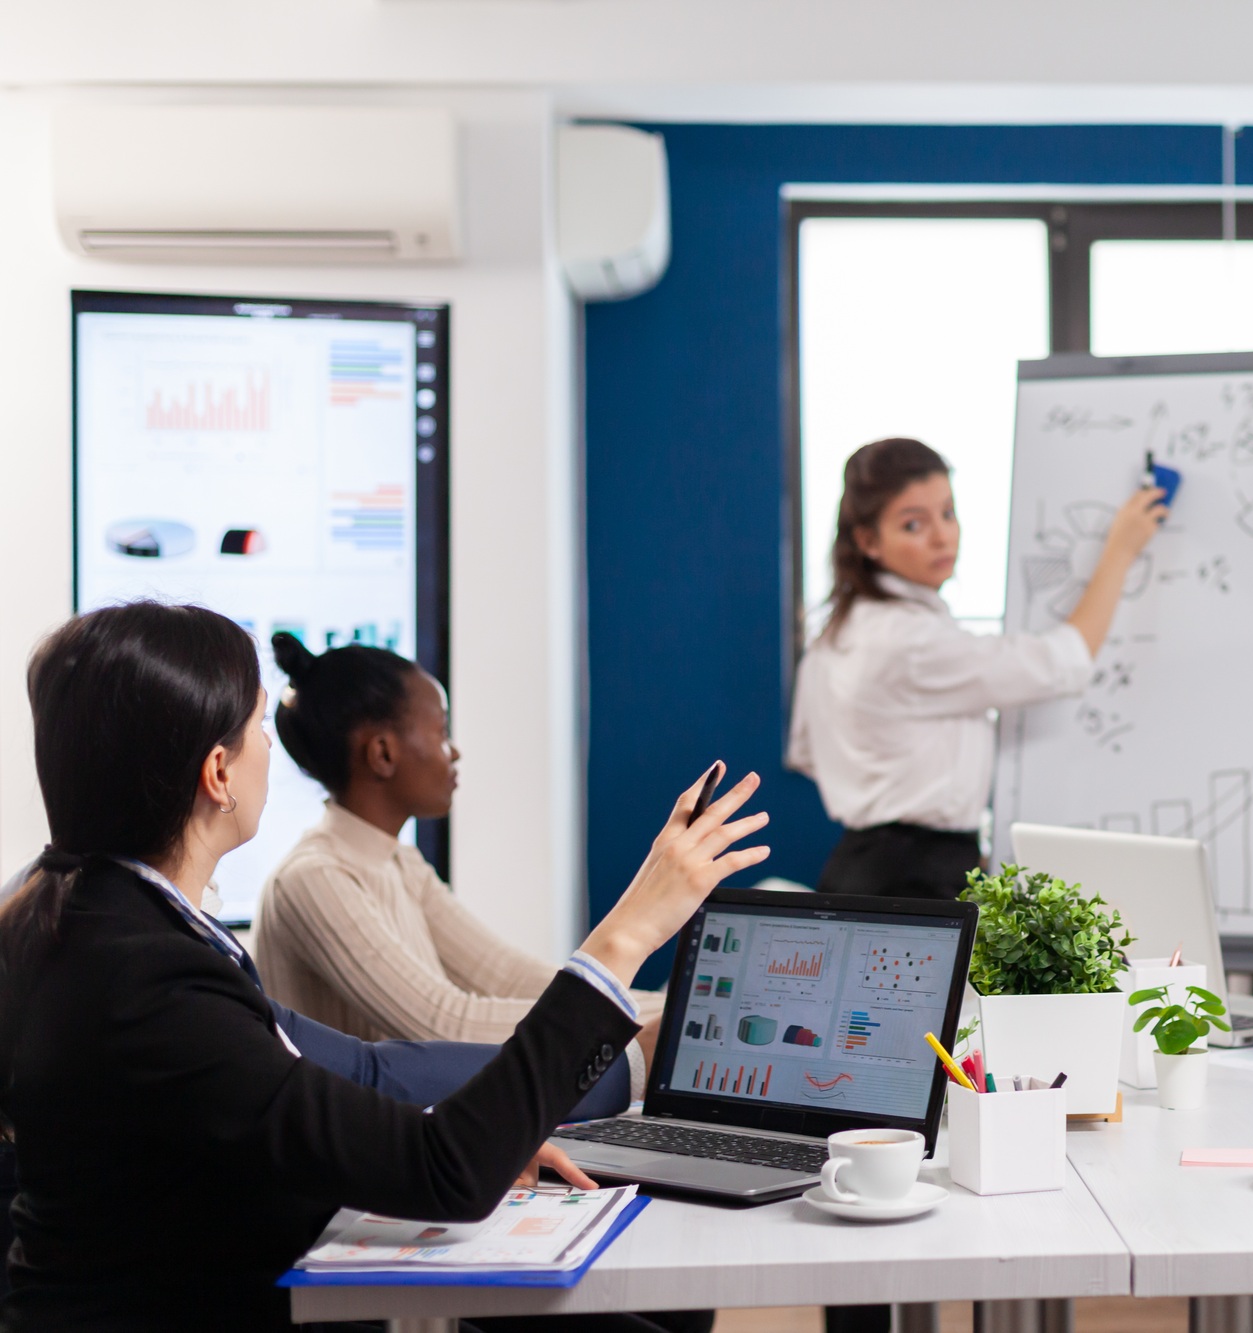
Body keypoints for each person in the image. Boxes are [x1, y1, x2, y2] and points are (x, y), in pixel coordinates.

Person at [0, 601, 769, 1332]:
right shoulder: (146, 979)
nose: (270, 747)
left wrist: (592, 1061)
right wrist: (629, 931)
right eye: (258, 725)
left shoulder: (107, 925)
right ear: (217, 773)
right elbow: (447, 1169)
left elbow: (365, 1072)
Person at [253, 631, 665, 1104]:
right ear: (383, 753)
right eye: (442, 731)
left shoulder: (399, 863)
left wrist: (676, 1018)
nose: (455, 751)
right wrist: (637, 1031)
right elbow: (442, 1022)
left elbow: (506, 976)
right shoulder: (313, 878)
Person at [788, 436, 1164, 899]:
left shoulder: (834, 635)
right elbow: (1063, 659)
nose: (942, 536)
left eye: (948, 513)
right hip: (915, 881)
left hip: (858, 869)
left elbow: (807, 756)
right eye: (913, 524)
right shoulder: (912, 641)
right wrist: (1121, 551)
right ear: (868, 541)